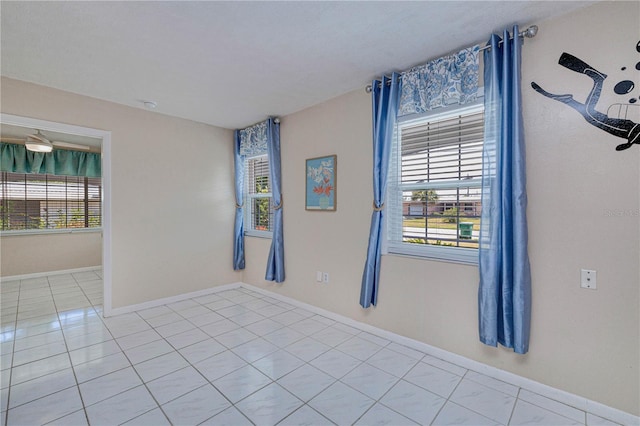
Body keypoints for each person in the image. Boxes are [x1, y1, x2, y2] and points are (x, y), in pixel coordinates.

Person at [531, 52, 639, 151]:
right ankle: (597, 80)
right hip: (628, 130)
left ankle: (569, 100)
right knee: (590, 114)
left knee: (589, 115)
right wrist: (630, 142)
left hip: (627, 131)